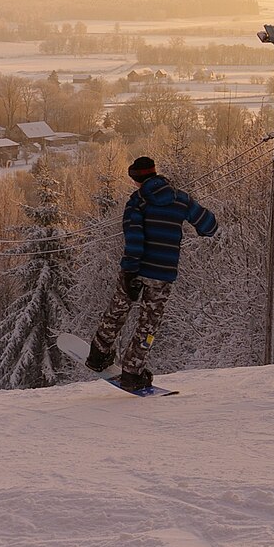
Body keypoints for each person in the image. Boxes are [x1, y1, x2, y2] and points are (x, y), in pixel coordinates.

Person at [86, 156, 218, 390]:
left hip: (136, 269)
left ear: (137, 179)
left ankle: (98, 354)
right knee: (148, 324)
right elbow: (209, 226)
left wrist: (129, 271)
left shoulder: (138, 202)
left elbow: (135, 238)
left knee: (118, 310)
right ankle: (132, 371)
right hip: (163, 273)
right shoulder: (181, 199)